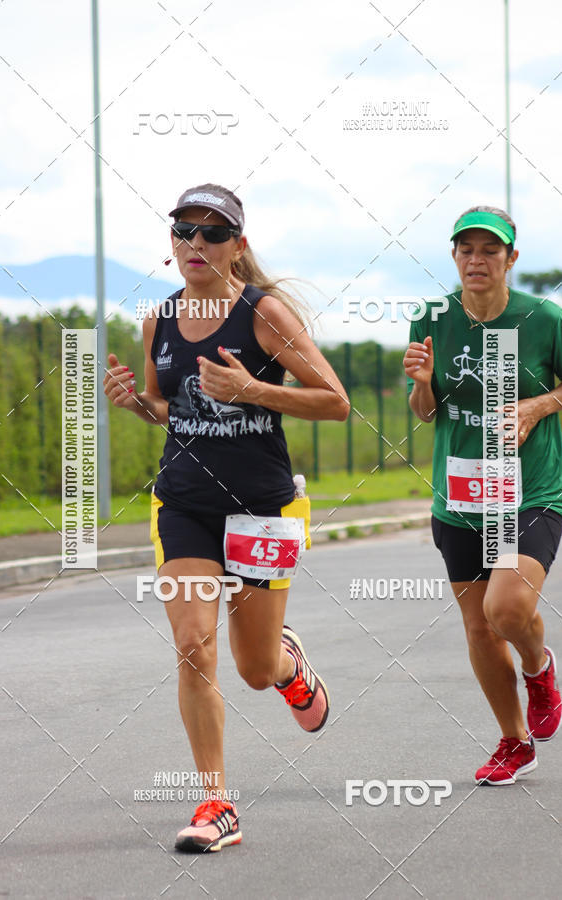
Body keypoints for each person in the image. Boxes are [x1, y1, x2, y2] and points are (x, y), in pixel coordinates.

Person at [104, 183, 349, 849]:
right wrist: (137, 404)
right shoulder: (158, 320)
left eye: (213, 232)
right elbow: (168, 407)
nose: (197, 243)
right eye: (185, 230)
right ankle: (216, 804)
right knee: (193, 644)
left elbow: (335, 402)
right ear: (172, 242)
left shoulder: (263, 314)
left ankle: (286, 664)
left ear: (238, 246)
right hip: (184, 503)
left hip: (262, 508)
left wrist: (253, 389)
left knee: (254, 669)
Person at [403, 205, 562, 785]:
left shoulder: (543, 318)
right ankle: (514, 741)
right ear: (454, 256)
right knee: (480, 627)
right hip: (460, 496)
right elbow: (426, 413)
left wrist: (535, 407)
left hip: (529, 490)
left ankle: (538, 667)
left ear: (512, 259)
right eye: (467, 249)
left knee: (505, 609)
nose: (477, 259)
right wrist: (421, 384)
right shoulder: (432, 318)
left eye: (490, 250)